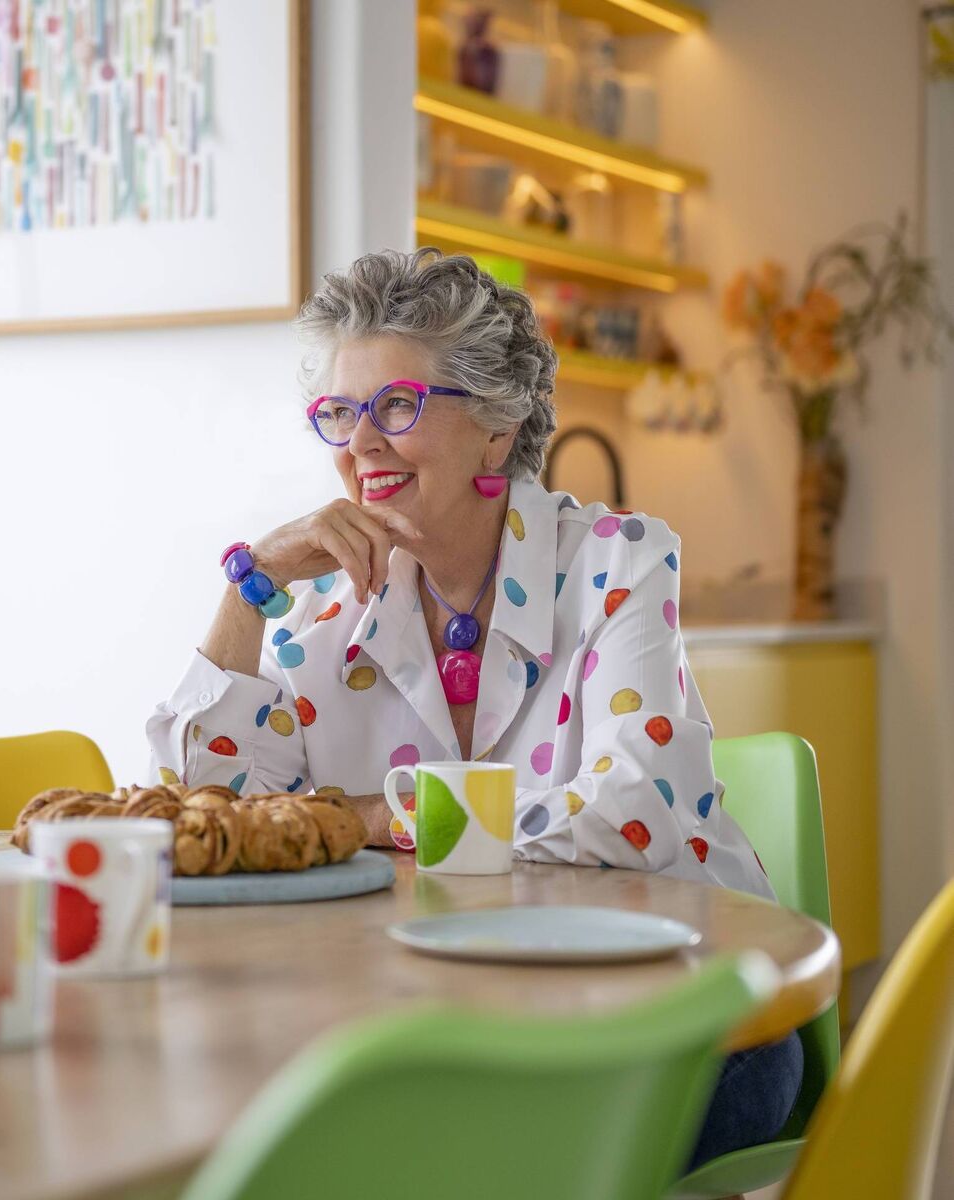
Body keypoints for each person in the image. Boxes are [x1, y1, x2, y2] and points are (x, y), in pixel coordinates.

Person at [146, 247, 802, 1166]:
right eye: (339, 413)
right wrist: (247, 590)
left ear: (499, 426)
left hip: (673, 1017)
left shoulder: (618, 563)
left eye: (399, 407)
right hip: (443, 1024)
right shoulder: (318, 612)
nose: (359, 444)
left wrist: (379, 816)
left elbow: (639, 809)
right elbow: (202, 826)